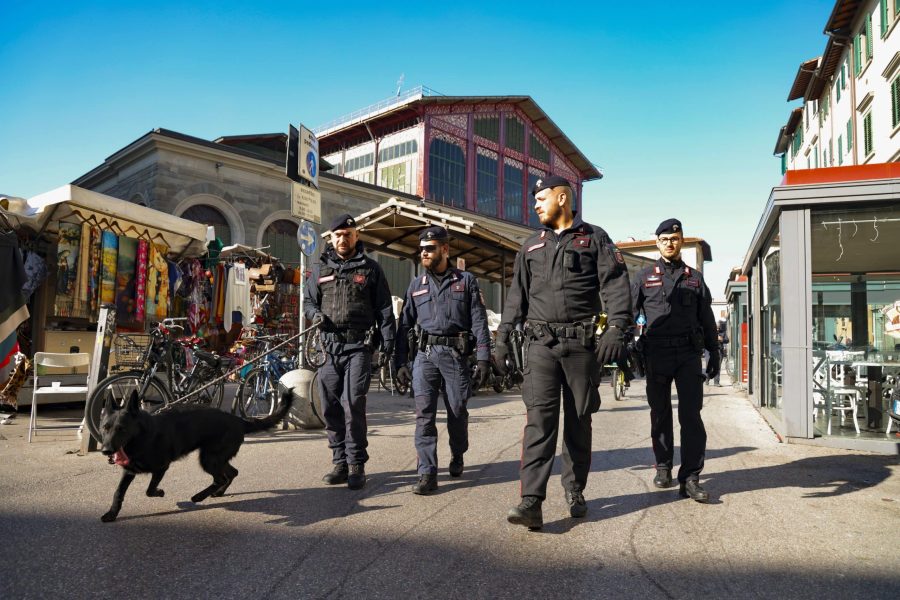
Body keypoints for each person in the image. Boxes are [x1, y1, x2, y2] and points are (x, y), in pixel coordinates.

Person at [494, 175, 632, 529]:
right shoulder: (530, 246)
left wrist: (617, 328)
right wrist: (501, 339)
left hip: (581, 346)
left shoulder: (595, 239)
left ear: (562, 197)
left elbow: (615, 285)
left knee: (578, 420)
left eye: (541, 198)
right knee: (538, 421)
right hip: (540, 345)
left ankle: (575, 489)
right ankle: (531, 502)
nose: (535, 205)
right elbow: (516, 298)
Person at [394, 226, 491, 495]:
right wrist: (400, 363)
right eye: (422, 249)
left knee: (457, 411)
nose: (424, 253)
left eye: (430, 248)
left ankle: (458, 453)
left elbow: (479, 321)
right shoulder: (416, 286)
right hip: (425, 357)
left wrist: (483, 357)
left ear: (445, 250)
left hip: (455, 355)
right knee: (424, 415)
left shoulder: (466, 281)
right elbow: (404, 327)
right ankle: (427, 473)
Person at [304, 213, 396, 490]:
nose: (343, 239)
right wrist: (315, 314)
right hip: (329, 348)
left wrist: (388, 344)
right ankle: (340, 462)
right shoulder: (319, 269)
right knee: (330, 405)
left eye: (348, 234)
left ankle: (357, 464)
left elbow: (384, 309)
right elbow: (308, 301)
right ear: (331, 238)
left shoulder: (370, 269)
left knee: (353, 403)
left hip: (359, 347)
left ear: (356, 236)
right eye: (338, 235)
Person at [631, 218, 719, 503]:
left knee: (691, 416)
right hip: (656, 354)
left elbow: (706, 317)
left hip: (688, 355)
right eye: (665, 239)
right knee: (660, 413)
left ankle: (691, 477)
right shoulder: (644, 277)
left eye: (675, 238)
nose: (670, 243)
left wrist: (714, 351)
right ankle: (664, 466)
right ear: (657, 243)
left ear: (681, 242)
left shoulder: (694, 278)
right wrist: (627, 346)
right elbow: (629, 315)